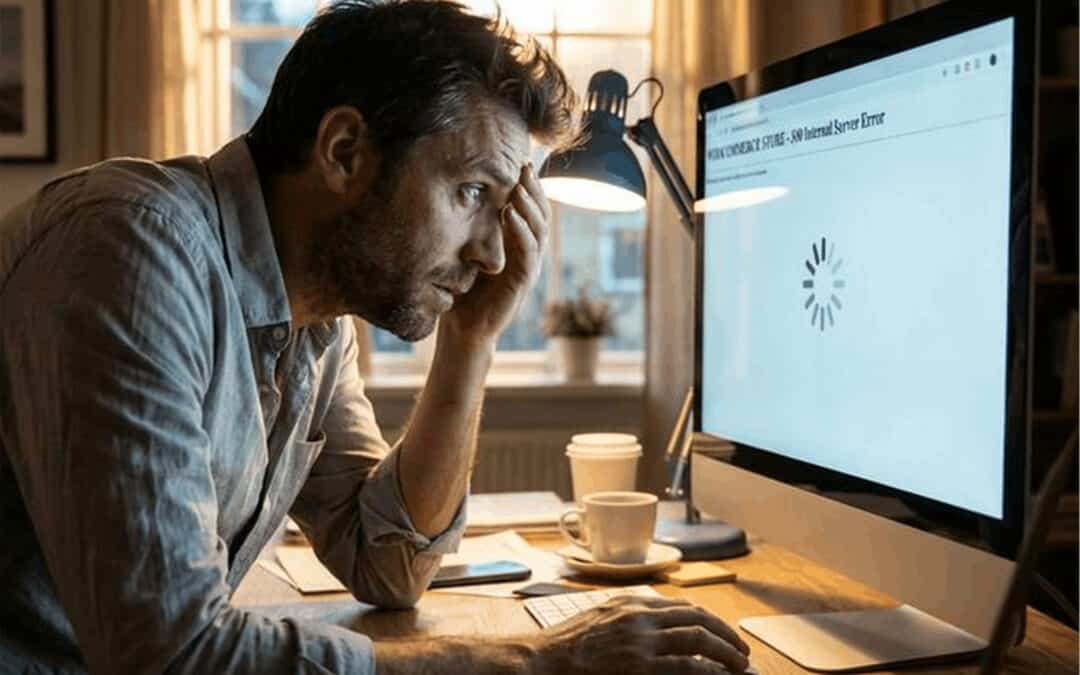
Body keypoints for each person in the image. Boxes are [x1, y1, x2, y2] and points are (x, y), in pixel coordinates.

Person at [0, 1, 752, 673]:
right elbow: (170, 654)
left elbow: (386, 562)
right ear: (344, 152)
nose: (493, 255)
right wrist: (533, 658)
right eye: (471, 193)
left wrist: (470, 342)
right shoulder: (134, 250)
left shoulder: (313, 321)